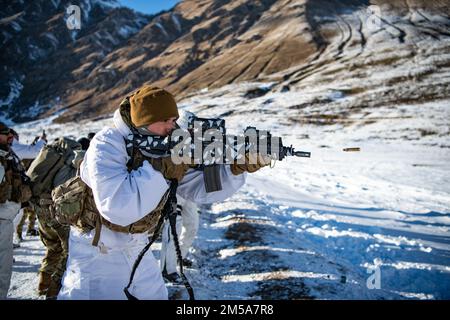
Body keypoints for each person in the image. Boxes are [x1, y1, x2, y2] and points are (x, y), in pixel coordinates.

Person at [57, 85, 270, 300]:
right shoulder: (107, 144)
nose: (173, 126)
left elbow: (198, 191)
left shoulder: (160, 144)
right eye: (167, 120)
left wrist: (234, 169)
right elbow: (117, 208)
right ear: (145, 120)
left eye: (174, 120)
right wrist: (164, 169)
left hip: (137, 245)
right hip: (98, 251)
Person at [28, 136, 87, 299]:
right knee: (69, 251)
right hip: (57, 212)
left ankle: (43, 283)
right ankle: (54, 289)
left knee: (53, 248)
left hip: (40, 208)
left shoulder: (52, 156)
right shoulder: (75, 159)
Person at [0, 122, 32, 299]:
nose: (10, 138)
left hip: (5, 218)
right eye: (6, 134)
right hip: (1, 219)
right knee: (2, 270)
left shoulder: (7, 155)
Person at [12, 130, 47, 241]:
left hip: (28, 185)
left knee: (31, 211)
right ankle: (18, 233)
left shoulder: (23, 153)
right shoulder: (22, 153)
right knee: (23, 212)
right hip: (24, 186)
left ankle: (29, 229)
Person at [160, 194, 199, 283]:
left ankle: (178, 257)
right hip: (175, 187)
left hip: (189, 190)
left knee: (192, 225)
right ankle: (167, 270)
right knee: (173, 227)